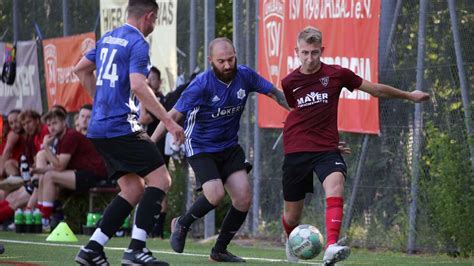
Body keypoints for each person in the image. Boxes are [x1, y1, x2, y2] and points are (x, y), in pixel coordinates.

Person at [280, 26, 430, 265]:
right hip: (297, 149)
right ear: (296, 51)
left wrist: (409, 95)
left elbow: (376, 90)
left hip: (327, 150)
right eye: (305, 53)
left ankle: (331, 246)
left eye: (315, 53)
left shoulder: (338, 74)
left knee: (336, 183)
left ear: (322, 50)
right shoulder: (289, 82)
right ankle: (290, 239)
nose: (310, 58)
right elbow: (295, 110)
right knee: (292, 215)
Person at [151, 37, 290, 262]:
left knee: (243, 198)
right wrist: (151, 142)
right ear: (210, 61)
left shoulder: (245, 75)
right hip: (199, 145)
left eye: (231, 59)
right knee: (215, 195)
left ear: (236, 54)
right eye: (221, 61)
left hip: (228, 146)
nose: (227, 65)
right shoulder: (201, 84)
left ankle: (219, 251)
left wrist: (296, 111)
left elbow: (275, 93)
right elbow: (173, 115)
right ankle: (182, 223)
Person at [73, 0, 184, 265]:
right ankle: (136, 249)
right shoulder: (138, 43)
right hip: (121, 126)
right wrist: (168, 121)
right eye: (155, 20)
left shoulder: (109, 37)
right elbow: (138, 85)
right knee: (162, 179)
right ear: (148, 16)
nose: (154, 26)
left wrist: (100, 100)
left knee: (133, 189)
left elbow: (80, 69)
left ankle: (92, 249)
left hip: (99, 127)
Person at [31, 109, 107, 228]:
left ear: (63, 122)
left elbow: (60, 166)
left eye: (55, 123)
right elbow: (57, 164)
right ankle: (42, 215)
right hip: (81, 172)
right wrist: (37, 171)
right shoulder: (62, 137)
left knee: (50, 176)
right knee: (43, 176)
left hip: (94, 174)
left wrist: (45, 146)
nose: (52, 128)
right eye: (49, 125)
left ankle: (45, 220)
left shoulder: (70, 136)